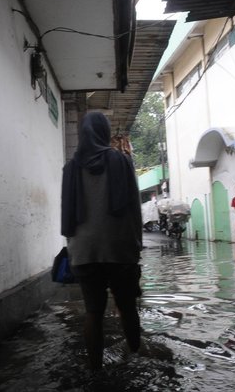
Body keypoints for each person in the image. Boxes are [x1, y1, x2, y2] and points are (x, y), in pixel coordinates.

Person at [61, 112, 143, 371]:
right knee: (128, 308)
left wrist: (72, 247)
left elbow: (67, 212)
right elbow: (134, 208)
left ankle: (95, 371)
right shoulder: (122, 161)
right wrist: (136, 245)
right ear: (105, 133)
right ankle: (138, 359)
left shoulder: (70, 168)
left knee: (93, 312)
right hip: (119, 249)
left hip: (84, 252)